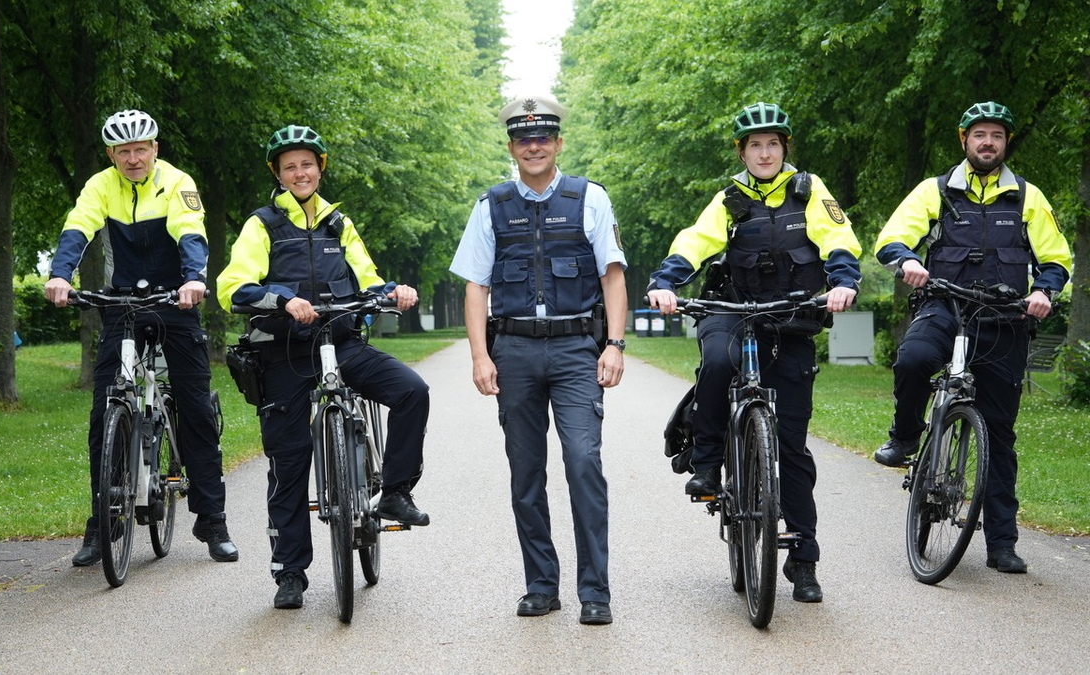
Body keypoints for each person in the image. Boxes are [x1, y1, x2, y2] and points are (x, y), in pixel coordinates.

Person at [647, 102, 862, 603]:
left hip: (792, 316)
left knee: (791, 448)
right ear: (742, 152)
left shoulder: (810, 191)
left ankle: (803, 561)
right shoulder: (728, 200)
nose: (764, 153)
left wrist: (844, 281)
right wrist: (664, 282)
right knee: (719, 362)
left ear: (785, 148)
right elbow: (695, 242)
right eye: (754, 145)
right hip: (733, 309)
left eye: (772, 144)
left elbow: (838, 238)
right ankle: (705, 463)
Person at [217, 124, 430, 611]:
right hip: (285, 354)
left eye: (307, 164)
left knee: (412, 391)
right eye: (290, 166)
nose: (300, 172)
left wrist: (393, 291)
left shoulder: (340, 224)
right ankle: (290, 573)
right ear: (278, 173)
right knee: (289, 463)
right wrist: (284, 299)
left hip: (343, 343)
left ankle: (395, 491)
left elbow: (368, 278)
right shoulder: (262, 225)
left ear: (320, 168)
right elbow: (233, 286)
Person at [872, 101, 1071, 574]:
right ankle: (904, 437)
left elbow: (1057, 259)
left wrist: (1044, 291)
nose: (988, 143)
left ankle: (1002, 543)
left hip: (1004, 321)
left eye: (996, 136)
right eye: (979, 134)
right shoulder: (934, 191)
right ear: (964, 141)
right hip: (945, 306)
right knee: (914, 358)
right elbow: (891, 238)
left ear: (1006, 143)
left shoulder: (1028, 197)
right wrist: (909, 261)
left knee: (999, 434)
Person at [450, 95, 627, 626]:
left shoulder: (590, 198)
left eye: (543, 137)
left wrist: (614, 344)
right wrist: (480, 356)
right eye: (524, 139)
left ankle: (595, 591)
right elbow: (476, 286)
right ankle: (540, 585)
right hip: (515, 352)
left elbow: (612, 276)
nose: (534, 146)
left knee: (582, 465)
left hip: (577, 350)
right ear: (511, 146)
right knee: (526, 475)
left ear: (558, 143)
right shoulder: (491, 205)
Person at [45, 109, 238, 567]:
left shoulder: (178, 181)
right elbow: (79, 227)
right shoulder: (100, 185)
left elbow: (190, 232)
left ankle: (212, 519)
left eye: (140, 149)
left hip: (178, 300)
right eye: (123, 151)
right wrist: (59, 274)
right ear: (111, 154)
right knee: (103, 411)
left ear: (155, 149)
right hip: (122, 302)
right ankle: (103, 522)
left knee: (194, 408)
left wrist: (194, 279)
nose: (133, 159)